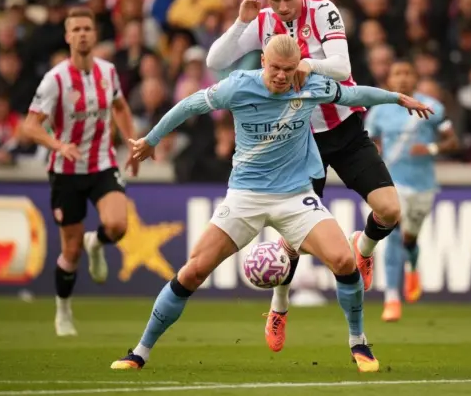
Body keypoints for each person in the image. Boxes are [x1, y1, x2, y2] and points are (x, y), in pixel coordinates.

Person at [110, 35, 432, 372]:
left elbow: (353, 95)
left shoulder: (310, 85)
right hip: (245, 197)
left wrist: (396, 98)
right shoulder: (237, 86)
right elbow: (189, 105)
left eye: (289, 70)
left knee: (343, 260)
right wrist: (151, 140)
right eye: (275, 68)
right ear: (263, 61)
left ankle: (358, 343)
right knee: (193, 270)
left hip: (295, 196)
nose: (281, 76)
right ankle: (140, 352)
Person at [205, 0, 403, 352]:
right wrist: (241, 22)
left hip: (343, 128)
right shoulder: (262, 21)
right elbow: (215, 62)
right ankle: (279, 306)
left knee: (391, 209)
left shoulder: (324, 10)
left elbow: (342, 67)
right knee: (293, 237)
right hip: (298, 139)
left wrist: (305, 64)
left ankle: (363, 248)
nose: (281, 7)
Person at [22, 7, 139, 336]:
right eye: (76, 30)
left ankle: (96, 243)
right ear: (67, 36)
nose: (82, 34)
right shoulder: (55, 79)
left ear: (95, 34)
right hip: (66, 172)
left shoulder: (108, 72)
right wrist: (58, 145)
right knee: (70, 251)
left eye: (87, 28)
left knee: (117, 225)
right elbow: (30, 126)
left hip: (102, 163)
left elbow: (120, 107)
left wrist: (132, 143)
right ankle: (63, 311)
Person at [365, 60, 459, 322]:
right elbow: (367, 141)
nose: (403, 78)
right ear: (390, 80)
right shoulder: (379, 110)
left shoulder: (432, 107)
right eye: (397, 73)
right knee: (393, 235)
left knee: (410, 238)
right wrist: (374, 153)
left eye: (408, 73)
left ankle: (413, 267)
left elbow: (453, 141)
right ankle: (392, 298)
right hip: (392, 183)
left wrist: (431, 149)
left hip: (423, 185)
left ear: (416, 79)